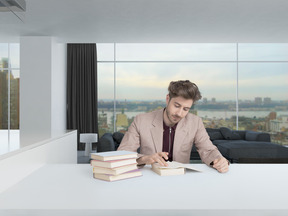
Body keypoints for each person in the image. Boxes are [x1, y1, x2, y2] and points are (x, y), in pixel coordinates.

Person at [118, 80, 229, 173]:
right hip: (150, 177)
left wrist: (219, 160)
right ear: (168, 99)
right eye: (177, 106)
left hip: (180, 178)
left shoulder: (195, 122)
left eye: (186, 109)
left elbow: (208, 150)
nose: (179, 113)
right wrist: (145, 159)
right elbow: (122, 155)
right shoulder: (141, 120)